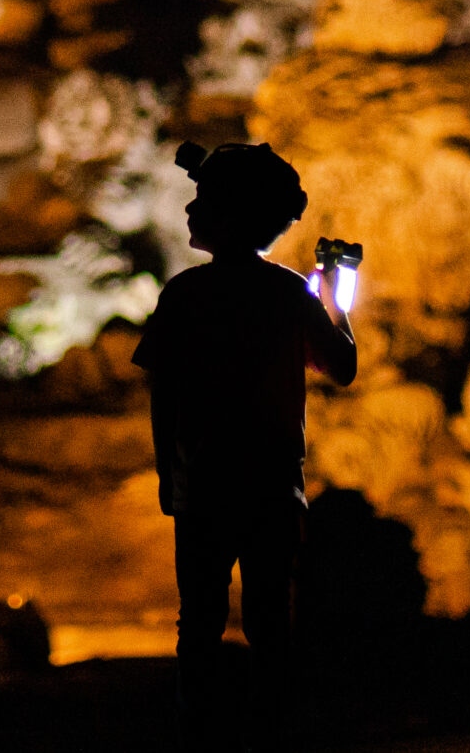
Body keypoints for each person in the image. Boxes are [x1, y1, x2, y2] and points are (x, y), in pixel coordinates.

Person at [134, 141, 359, 753]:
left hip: (204, 486)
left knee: (199, 626)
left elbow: (165, 395)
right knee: (270, 624)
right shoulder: (290, 294)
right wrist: (337, 301)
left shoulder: (185, 296)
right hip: (272, 487)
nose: (190, 210)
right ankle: (272, 734)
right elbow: (341, 367)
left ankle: (197, 734)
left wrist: (166, 476)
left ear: (231, 215)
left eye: (203, 200)